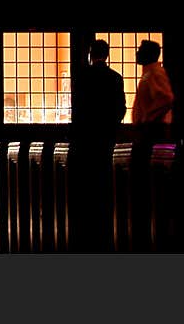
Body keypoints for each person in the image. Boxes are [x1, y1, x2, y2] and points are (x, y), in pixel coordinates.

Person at [69, 39, 125, 251]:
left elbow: (78, 108)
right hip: (107, 137)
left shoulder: (82, 77)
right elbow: (121, 109)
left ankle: (87, 230)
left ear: (91, 54)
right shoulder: (116, 78)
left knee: (88, 184)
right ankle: (105, 225)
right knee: (105, 179)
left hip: (86, 139)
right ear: (107, 55)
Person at [132, 39, 174, 144]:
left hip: (153, 129)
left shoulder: (154, 73)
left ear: (147, 54)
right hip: (149, 128)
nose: (136, 53)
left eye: (140, 50)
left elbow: (166, 98)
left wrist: (149, 117)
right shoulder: (150, 73)